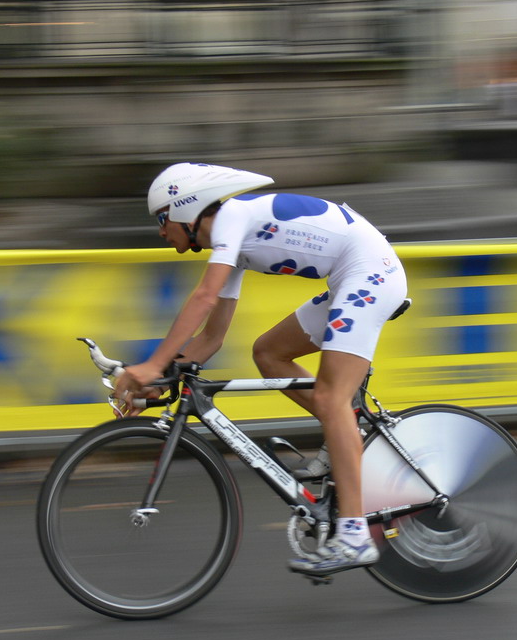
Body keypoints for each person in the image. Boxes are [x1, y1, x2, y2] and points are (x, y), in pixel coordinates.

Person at [114, 162, 407, 576]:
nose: (161, 231)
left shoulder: (232, 218)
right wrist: (161, 378)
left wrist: (152, 362)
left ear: (186, 209)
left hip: (372, 274)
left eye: (163, 220)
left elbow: (202, 299)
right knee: (268, 353)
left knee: (330, 396)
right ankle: (350, 429)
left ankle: (355, 536)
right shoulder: (230, 245)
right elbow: (210, 339)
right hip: (351, 278)